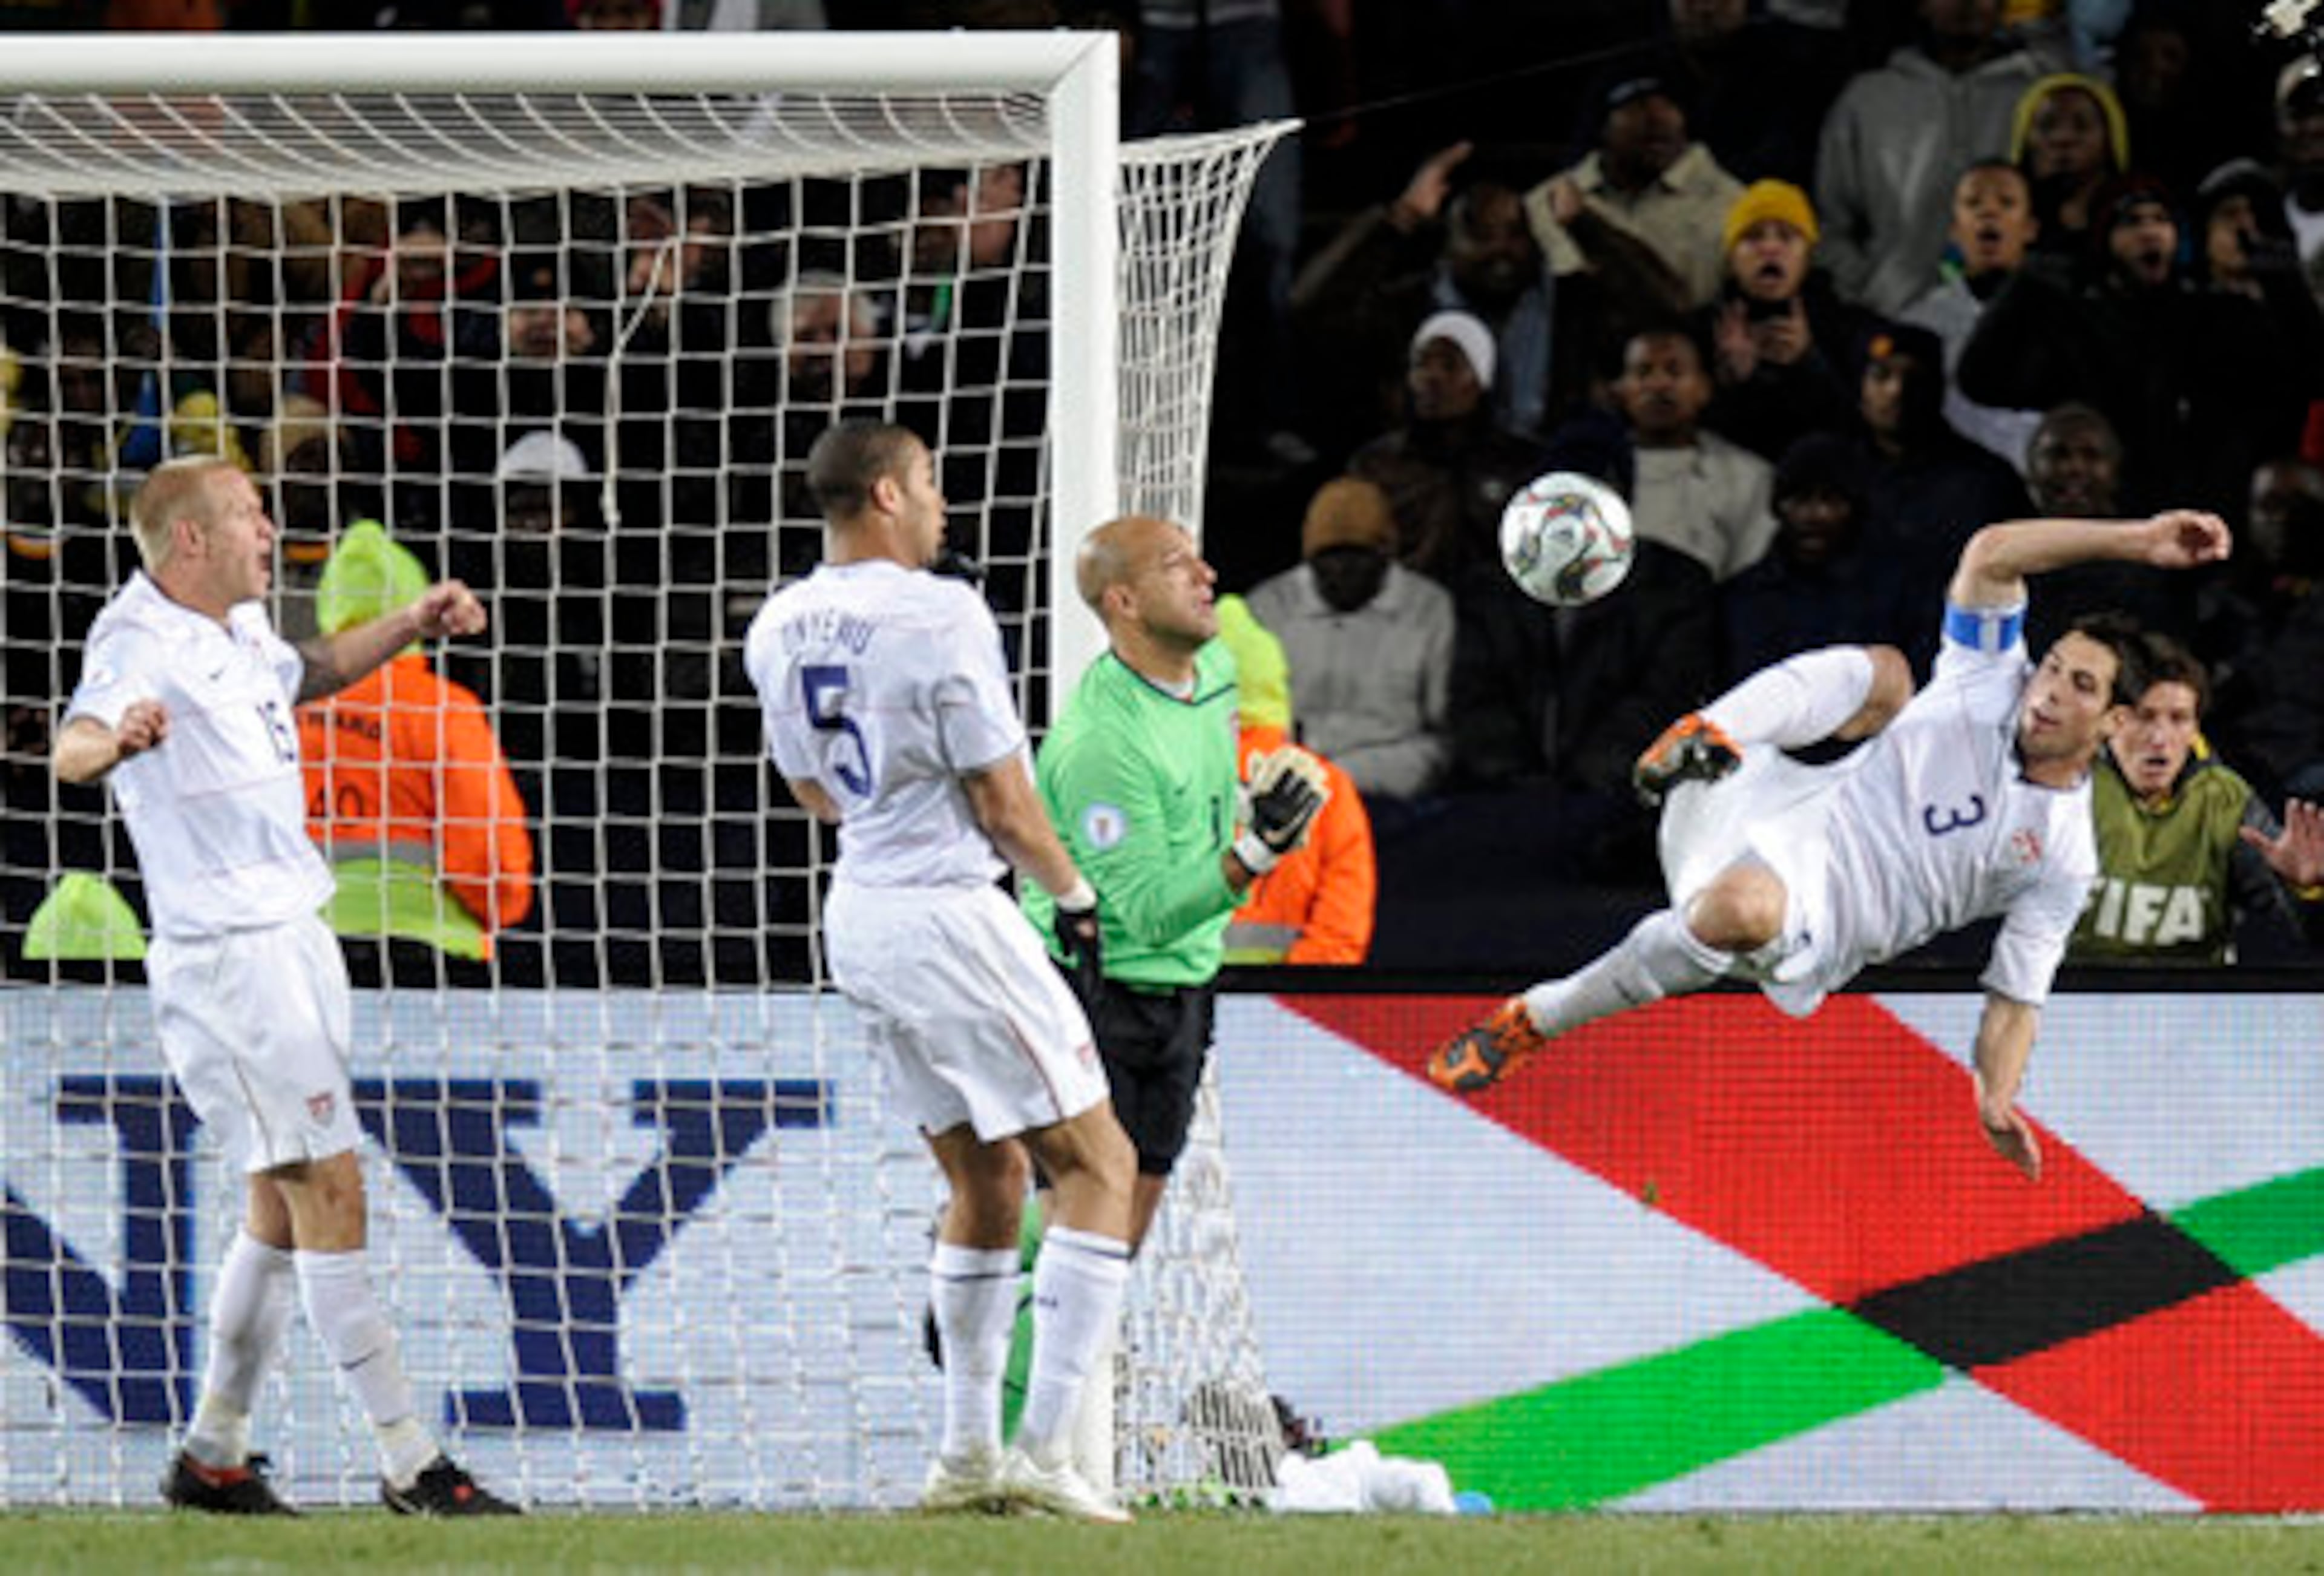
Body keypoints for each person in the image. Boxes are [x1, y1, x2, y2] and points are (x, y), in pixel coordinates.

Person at [1428, 507, 2234, 1181]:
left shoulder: (2061, 857)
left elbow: (2015, 1000)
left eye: (2080, 686)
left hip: (1796, 923)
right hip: (1746, 796)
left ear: (2116, 723)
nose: (2049, 691)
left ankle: (1533, 1020)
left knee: (1739, 908)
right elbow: (1992, 552)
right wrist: (2136, 539)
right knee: (1888, 675)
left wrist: (1995, 1098)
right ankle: (1711, 730)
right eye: (2052, 667)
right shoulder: (1989, 678)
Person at [53, 456, 516, 1516]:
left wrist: (410, 621)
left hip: (293, 936)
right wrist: (113, 741)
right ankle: (410, 1461)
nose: (270, 532)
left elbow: (307, 669)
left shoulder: (236, 628)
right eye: (251, 516)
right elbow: (74, 743)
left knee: (275, 1206)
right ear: (191, 540)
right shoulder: (136, 638)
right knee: (330, 1189)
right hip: (231, 962)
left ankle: (213, 1455)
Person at [741, 421, 1137, 1523]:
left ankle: (965, 1455)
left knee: (986, 1179)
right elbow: (1005, 802)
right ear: (885, 493)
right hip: (949, 914)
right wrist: (1075, 895)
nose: (942, 502)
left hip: (859, 912)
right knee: (1099, 1163)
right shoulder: (943, 612)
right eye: (927, 481)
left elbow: (810, 791)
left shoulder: (776, 623)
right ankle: (1048, 1452)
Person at [1022, 513, 1329, 1252]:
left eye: (1199, 558)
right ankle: (979, 1268)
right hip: (1094, 990)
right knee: (1087, 1227)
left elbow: (1201, 795)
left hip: (1187, 980)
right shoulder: (1104, 744)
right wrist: (1257, 852)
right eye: (1175, 565)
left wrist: (1256, 799)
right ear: (1123, 602)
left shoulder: (1215, 670)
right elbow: (1149, 913)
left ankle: (999, 1267)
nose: (1206, 576)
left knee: (1126, 1228)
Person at [295, 520, 535, 964]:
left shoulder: (285, 708)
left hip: (301, 948)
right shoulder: (443, 710)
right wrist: (501, 909)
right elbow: (487, 850)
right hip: (431, 950)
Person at [2070, 634, 2323, 964]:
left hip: (2194, 994)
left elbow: (2312, 936)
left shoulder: (2226, 801)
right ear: (2111, 720)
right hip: (2072, 991)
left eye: (2178, 719)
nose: (2160, 738)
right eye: (2144, 716)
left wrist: (2309, 891)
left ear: (2195, 730)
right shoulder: (2065, 786)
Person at [1213, 594, 1375, 966]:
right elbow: (1340, 937)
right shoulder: (1329, 788)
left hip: (1180, 995)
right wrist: (1284, 990)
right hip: (1289, 997)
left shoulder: (1164, 782)